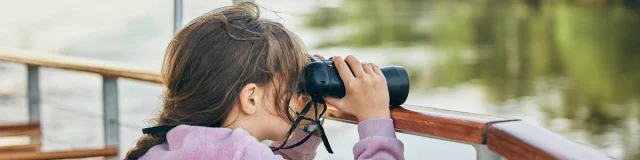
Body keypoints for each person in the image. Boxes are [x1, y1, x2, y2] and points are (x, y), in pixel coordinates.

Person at [124, 2, 404, 160]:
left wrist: (306, 123)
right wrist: (374, 120)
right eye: (293, 82)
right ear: (251, 98)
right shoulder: (240, 154)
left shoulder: (171, 148)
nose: (299, 92)